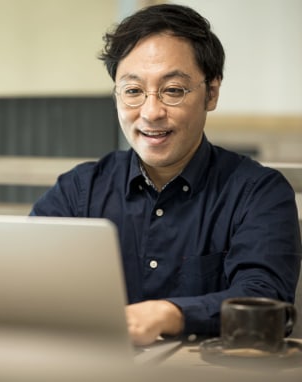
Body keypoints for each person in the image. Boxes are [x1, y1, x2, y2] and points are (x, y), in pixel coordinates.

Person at [30, 4, 301, 345]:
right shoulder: (78, 190)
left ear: (212, 93)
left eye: (173, 90)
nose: (151, 112)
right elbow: (27, 280)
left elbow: (267, 302)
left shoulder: (258, 193)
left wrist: (171, 315)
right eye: (133, 91)